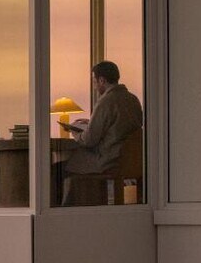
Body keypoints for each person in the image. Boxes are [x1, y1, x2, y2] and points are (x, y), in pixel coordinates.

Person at [61, 61, 143, 204]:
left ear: (102, 80)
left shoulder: (106, 101)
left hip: (109, 160)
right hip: (132, 159)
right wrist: (91, 123)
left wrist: (75, 132)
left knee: (64, 167)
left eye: (94, 82)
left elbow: (89, 140)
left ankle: (71, 208)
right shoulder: (133, 99)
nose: (94, 87)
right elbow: (121, 128)